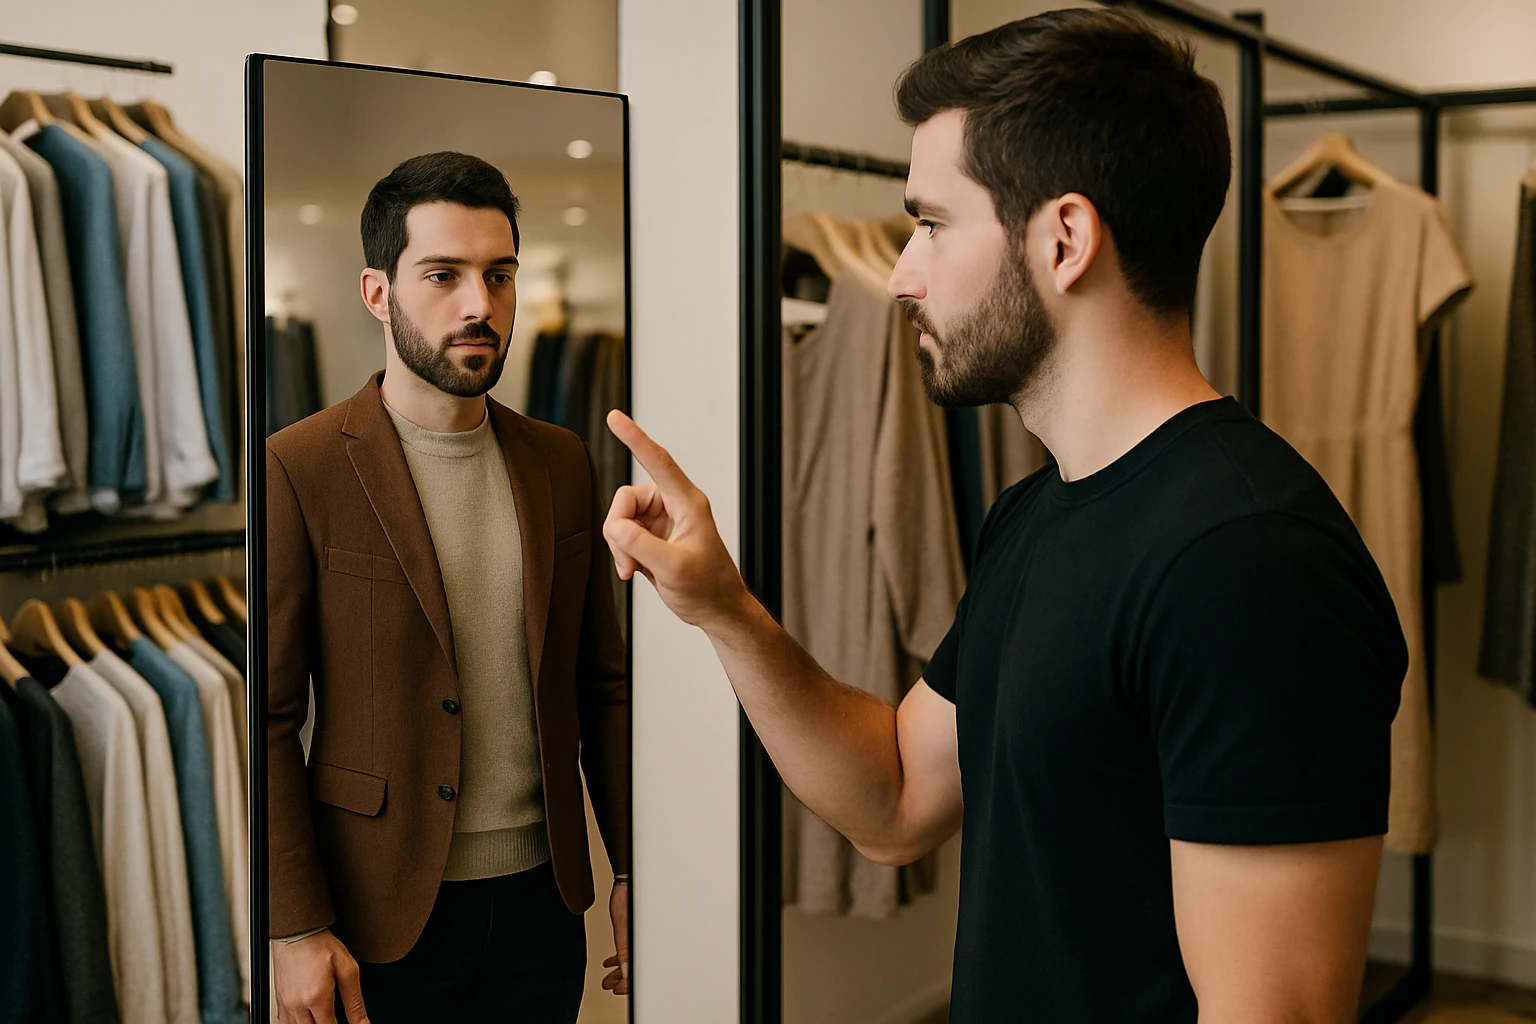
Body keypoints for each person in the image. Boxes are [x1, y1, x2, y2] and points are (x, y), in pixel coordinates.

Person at [603, 10, 1406, 1023]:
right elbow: (895, 801)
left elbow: (1272, 1013)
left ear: (1064, 238)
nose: (900, 272)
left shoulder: (1247, 563)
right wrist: (725, 608)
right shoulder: (1035, 514)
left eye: (932, 224)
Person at [267, 151, 630, 1024]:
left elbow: (602, 686)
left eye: (499, 275)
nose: (480, 305)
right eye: (444, 275)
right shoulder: (301, 465)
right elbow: (268, 721)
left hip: (544, 906)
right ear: (377, 292)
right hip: (379, 913)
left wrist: (632, 869)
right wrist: (293, 928)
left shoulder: (561, 459)